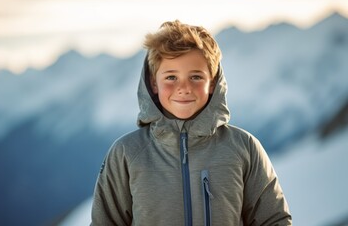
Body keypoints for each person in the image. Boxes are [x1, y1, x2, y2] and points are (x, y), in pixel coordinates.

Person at [91, 20, 292, 225]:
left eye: (196, 77)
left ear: (212, 82)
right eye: (171, 77)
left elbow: (274, 220)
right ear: (154, 83)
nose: (184, 87)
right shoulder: (127, 153)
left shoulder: (244, 148)